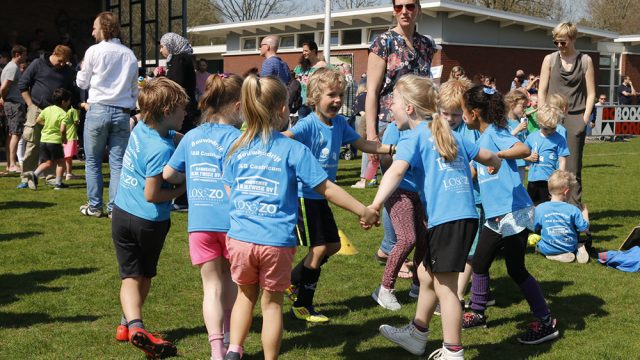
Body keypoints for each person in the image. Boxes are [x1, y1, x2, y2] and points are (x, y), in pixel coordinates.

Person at [221, 75, 378, 360]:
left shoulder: (237, 147)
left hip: (240, 239)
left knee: (245, 297)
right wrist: (363, 209)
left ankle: (233, 351)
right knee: (271, 305)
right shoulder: (294, 149)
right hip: (276, 241)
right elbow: (327, 189)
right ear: (283, 110)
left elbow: (230, 187)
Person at [369, 75, 501, 359]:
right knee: (424, 274)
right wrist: (497, 163)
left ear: (410, 108)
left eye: (393, 101)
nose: (389, 108)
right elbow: (488, 156)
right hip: (463, 217)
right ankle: (417, 334)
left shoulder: (413, 137)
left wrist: (373, 205)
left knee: (447, 288)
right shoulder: (450, 134)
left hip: (448, 220)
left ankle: (453, 351)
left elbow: (394, 171)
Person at [282, 68, 391, 322]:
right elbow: (285, 138)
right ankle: (303, 304)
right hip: (304, 196)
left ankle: (291, 281)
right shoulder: (308, 124)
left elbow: (364, 144)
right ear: (315, 97)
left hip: (323, 197)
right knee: (319, 248)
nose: (337, 100)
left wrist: (393, 148)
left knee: (333, 245)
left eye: (340, 95)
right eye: (331, 94)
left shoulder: (340, 123)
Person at [461, 85, 559, 346]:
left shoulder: (495, 133)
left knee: (516, 269)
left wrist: (498, 157)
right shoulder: (478, 139)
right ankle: (478, 312)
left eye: (462, 112)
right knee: (480, 262)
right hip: (495, 214)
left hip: (513, 212)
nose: (461, 117)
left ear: (473, 113)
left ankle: (546, 321)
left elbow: (523, 150)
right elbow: (474, 171)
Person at [162, 73, 243, 360]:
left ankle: (216, 351)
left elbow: (168, 174)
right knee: (232, 281)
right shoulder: (241, 138)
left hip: (200, 223)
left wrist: (189, 179)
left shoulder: (191, 137)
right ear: (236, 106)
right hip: (235, 222)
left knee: (211, 286)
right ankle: (234, 343)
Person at [111, 77, 188, 358]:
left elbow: (172, 134)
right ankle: (136, 326)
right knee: (142, 276)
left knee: (129, 276)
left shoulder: (142, 127)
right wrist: (182, 187)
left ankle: (126, 325)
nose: (185, 114)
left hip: (121, 214)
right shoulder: (161, 150)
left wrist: (191, 138)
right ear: (167, 111)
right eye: (181, 110)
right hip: (149, 220)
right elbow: (152, 194)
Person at [76, 12, 138, 218]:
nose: (92, 31)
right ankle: (115, 208)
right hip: (122, 112)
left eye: (95, 27)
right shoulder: (129, 54)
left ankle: (95, 206)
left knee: (93, 161)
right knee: (118, 163)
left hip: (98, 110)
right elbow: (133, 88)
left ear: (103, 28)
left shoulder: (93, 51)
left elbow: (82, 83)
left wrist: (81, 68)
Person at [365, 0, 436, 155]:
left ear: (418, 9)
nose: (404, 11)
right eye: (399, 7)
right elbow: (371, 92)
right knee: (395, 176)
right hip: (390, 123)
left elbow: (427, 88)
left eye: (410, 6)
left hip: (421, 124)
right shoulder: (383, 42)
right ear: (393, 11)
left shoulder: (427, 44)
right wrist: (371, 135)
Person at [538, 22, 596, 209]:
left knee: (572, 170)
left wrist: (584, 120)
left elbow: (592, 94)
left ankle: (573, 211)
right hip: (551, 118)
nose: (559, 46)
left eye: (563, 42)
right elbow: (542, 90)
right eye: (556, 42)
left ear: (572, 39)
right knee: (546, 166)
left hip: (575, 119)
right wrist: (542, 114)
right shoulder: (550, 60)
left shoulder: (585, 60)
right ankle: (545, 209)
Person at [17, 44, 76, 189]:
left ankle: (50, 177)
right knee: (32, 143)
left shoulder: (67, 71)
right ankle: (26, 178)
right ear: (54, 54)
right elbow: (23, 85)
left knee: (53, 145)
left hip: (56, 113)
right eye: (60, 61)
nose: (62, 64)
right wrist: (30, 105)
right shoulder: (38, 64)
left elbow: (72, 90)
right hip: (37, 109)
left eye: (65, 62)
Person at [160, 32, 198, 211]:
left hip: (182, 114)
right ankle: (182, 197)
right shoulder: (183, 60)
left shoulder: (179, 61)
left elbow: (175, 88)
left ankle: (182, 198)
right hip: (186, 113)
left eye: (162, 46)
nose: (161, 49)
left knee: (179, 153)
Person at [534, 170, 590, 263]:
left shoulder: (541, 208)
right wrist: (585, 212)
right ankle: (579, 248)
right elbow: (585, 228)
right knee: (576, 241)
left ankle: (553, 255)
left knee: (539, 244)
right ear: (566, 191)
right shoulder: (573, 209)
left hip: (548, 248)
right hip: (569, 246)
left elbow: (534, 227)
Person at [24, 88, 72, 190]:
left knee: (47, 162)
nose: (69, 103)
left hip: (44, 140)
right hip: (54, 141)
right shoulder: (63, 114)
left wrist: (48, 125)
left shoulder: (47, 109)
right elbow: (62, 129)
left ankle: (34, 174)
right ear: (63, 102)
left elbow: (38, 120)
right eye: (68, 101)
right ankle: (58, 184)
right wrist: (64, 138)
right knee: (61, 162)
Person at [524, 105, 570, 206]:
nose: (549, 131)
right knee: (533, 207)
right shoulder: (531, 137)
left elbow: (562, 160)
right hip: (533, 179)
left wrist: (560, 176)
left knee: (548, 206)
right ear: (538, 123)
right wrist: (529, 157)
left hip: (550, 180)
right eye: (546, 129)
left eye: (553, 128)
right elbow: (523, 154)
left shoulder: (560, 139)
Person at [0, 44, 28, 173]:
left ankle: (9, 164)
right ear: (18, 54)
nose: (26, 57)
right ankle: (12, 164)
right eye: (24, 54)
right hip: (14, 103)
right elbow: (4, 87)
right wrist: (4, 98)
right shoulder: (12, 68)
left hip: (12, 103)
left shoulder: (11, 67)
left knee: (11, 134)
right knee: (15, 133)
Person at [293, 41, 326, 118]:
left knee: (316, 126)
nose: (304, 53)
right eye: (303, 51)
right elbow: (294, 81)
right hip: (302, 104)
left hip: (317, 104)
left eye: (306, 51)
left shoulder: (323, 66)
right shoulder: (300, 67)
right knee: (303, 127)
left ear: (313, 51)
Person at [504, 90, 529, 181]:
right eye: (523, 106)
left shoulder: (521, 121)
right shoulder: (504, 122)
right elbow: (503, 141)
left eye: (526, 107)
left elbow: (525, 140)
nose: (524, 110)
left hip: (521, 162)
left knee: (520, 187)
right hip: (509, 162)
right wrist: (517, 130)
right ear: (512, 104)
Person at [63, 106, 80, 180]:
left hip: (62, 136)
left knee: (64, 156)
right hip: (71, 136)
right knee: (69, 157)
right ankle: (69, 174)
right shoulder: (73, 110)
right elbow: (76, 121)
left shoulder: (60, 110)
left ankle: (64, 172)